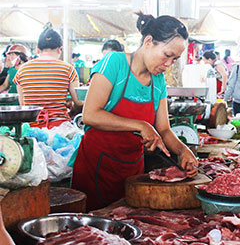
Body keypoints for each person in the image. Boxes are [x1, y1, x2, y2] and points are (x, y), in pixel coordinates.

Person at [71, 13, 198, 211]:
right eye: (167, 55)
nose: (168, 64)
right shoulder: (115, 63)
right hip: (96, 167)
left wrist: (183, 151)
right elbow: (90, 114)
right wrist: (141, 125)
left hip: (132, 171)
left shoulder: (158, 81)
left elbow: (163, 129)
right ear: (149, 41)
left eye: (175, 59)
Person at [14, 23, 83, 128]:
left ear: (37, 49)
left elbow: (23, 104)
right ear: (60, 49)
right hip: (60, 128)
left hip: (31, 128)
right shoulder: (68, 69)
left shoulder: (22, 70)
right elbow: (78, 102)